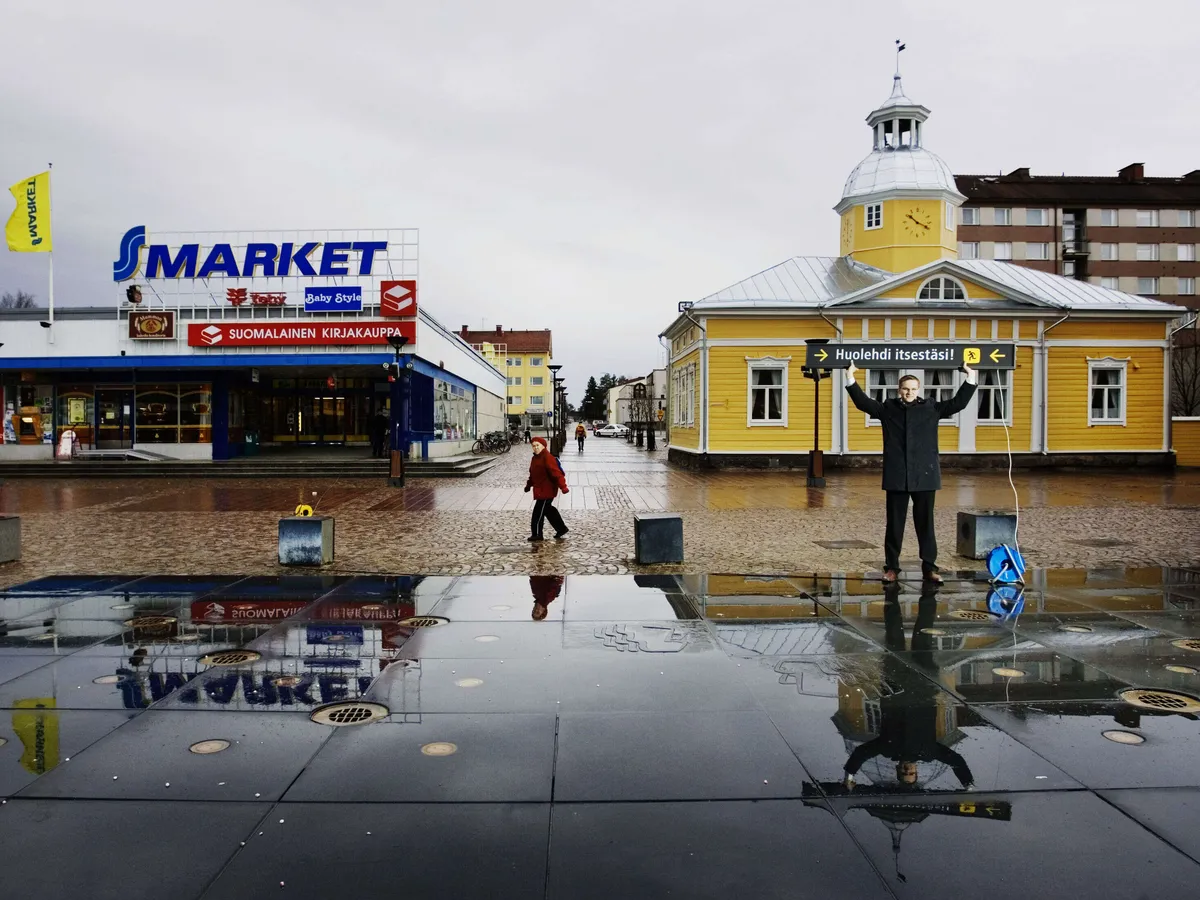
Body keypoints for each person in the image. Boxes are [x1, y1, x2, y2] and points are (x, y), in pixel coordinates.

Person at [845, 362, 977, 583]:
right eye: (906, 389)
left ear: (919, 390)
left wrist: (971, 375)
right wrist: (850, 375)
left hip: (925, 475)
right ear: (899, 390)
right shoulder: (888, 409)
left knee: (925, 524)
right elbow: (863, 403)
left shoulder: (931, 408)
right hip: (897, 475)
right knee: (894, 525)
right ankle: (892, 568)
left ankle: (929, 568)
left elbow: (959, 403)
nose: (909, 393)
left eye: (913, 389)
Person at [843, 582, 974, 792]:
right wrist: (968, 784)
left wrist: (849, 776)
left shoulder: (886, 748)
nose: (907, 770)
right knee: (923, 636)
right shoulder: (929, 752)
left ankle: (891, 594)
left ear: (897, 770)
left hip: (894, 686)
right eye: (910, 773)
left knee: (894, 636)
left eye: (903, 773)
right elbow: (955, 760)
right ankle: (928, 595)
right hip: (923, 687)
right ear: (916, 771)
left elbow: (861, 754)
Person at [524, 436, 569, 541]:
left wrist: (563, 487)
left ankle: (537, 534)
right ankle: (561, 528)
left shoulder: (548, 458)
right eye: (533, 446)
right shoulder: (535, 458)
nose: (535, 448)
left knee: (538, 513)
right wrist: (528, 485)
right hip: (540, 490)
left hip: (547, 490)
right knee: (548, 510)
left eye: (537, 445)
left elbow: (556, 473)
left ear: (543, 446)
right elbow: (533, 474)